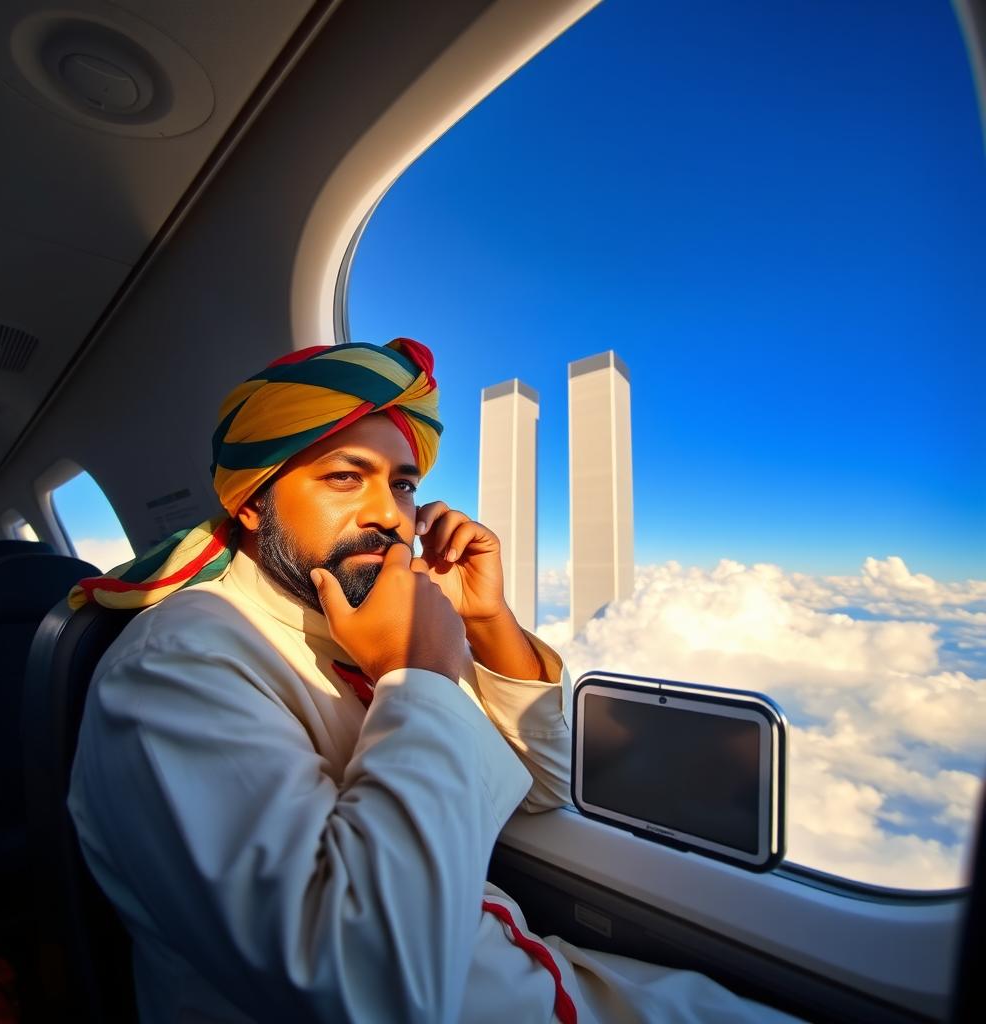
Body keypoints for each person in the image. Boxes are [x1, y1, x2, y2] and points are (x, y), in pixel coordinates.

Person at [69, 339, 798, 1023]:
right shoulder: (177, 669)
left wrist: (486, 624)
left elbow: (540, 790)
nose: (390, 514)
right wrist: (415, 672)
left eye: (404, 483)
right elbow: (364, 986)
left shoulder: (361, 620)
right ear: (252, 503)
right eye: (345, 477)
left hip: (530, 977)